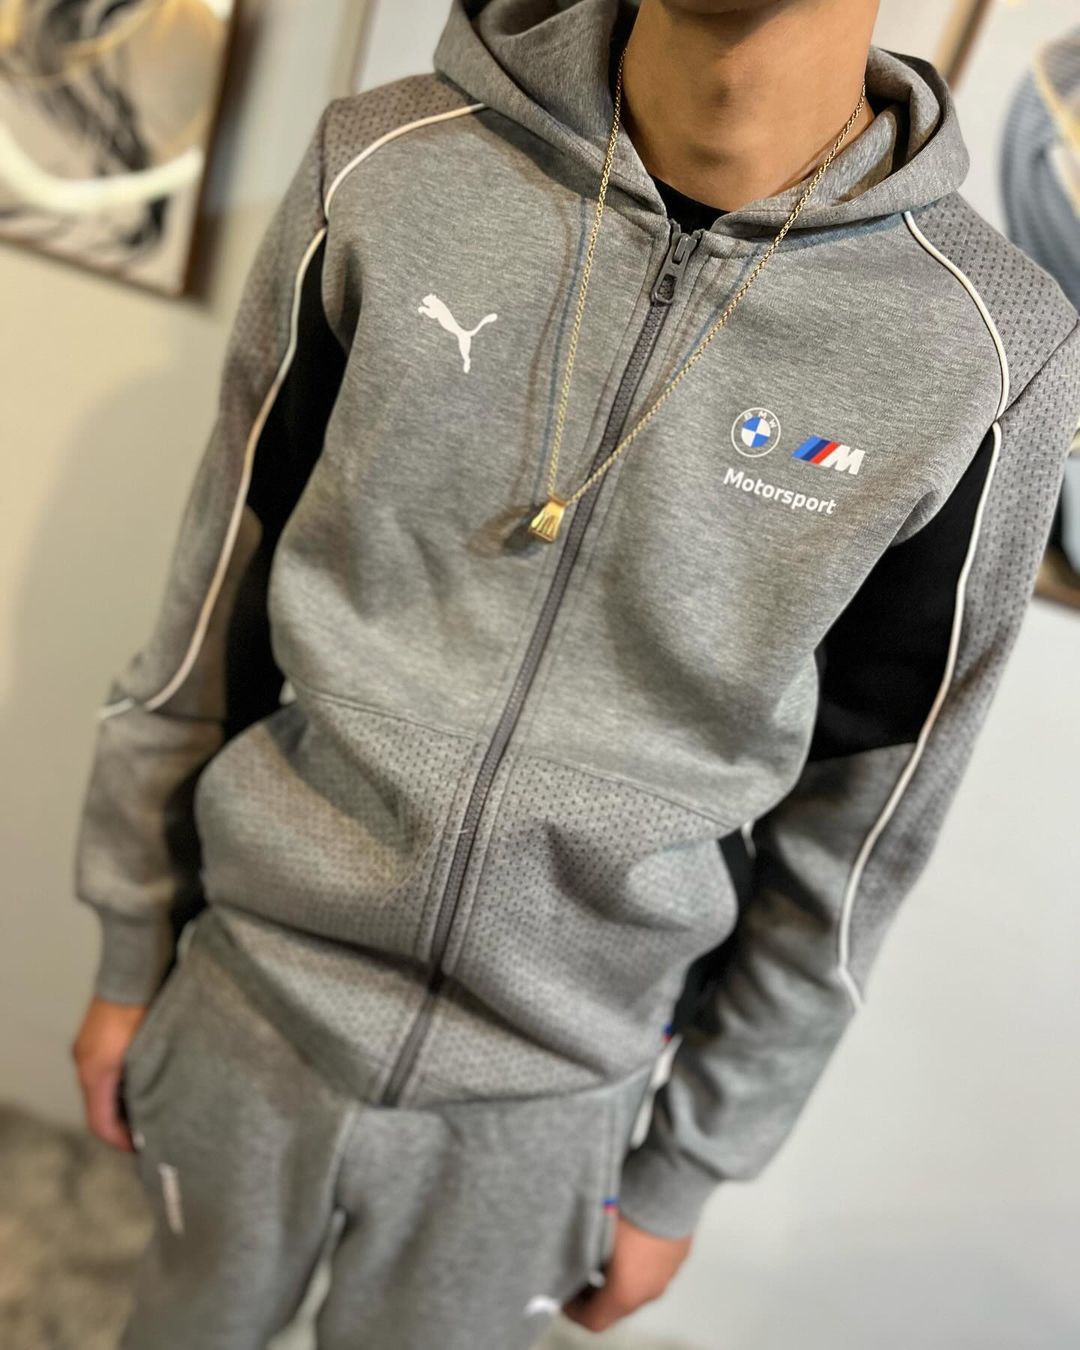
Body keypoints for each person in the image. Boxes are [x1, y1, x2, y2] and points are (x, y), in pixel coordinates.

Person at [70, 1, 1080, 1346]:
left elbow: (870, 827)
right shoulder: (383, 168)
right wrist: (131, 937)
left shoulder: (991, 351)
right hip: (248, 1010)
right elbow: (211, 608)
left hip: (543, 1117)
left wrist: (690, 1163)